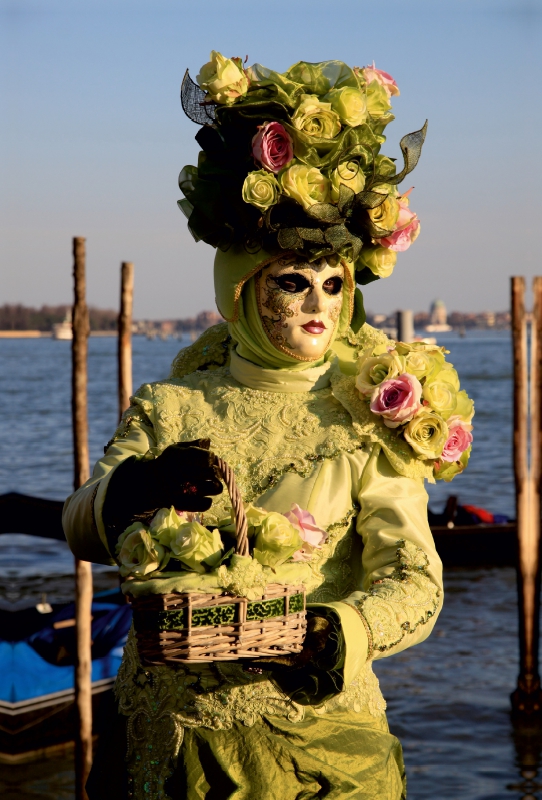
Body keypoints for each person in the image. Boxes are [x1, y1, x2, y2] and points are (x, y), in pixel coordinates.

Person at [64, 53, 473, 800]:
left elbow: (415, 581)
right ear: (244, 289)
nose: (318, 301)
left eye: (332, 283)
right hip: (168, 741)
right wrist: (142, 486)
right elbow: (81, 527)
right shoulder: (172, 404)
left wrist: (339, 633)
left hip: (318, 747)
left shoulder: (366, 414)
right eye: (292, 281)